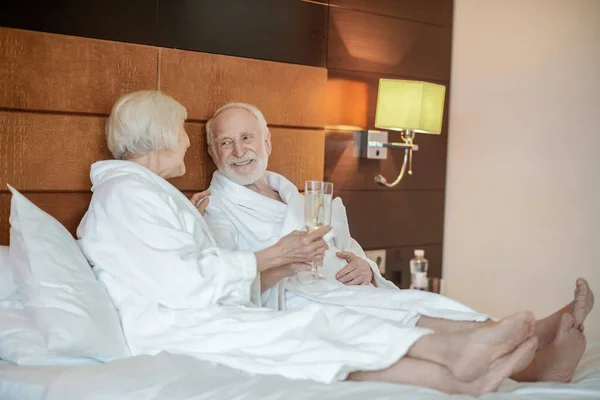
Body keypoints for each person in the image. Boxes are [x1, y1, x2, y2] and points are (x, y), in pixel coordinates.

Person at [77, 90, 538, 396]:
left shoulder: (147, 195)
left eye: (247, 139)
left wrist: (350, 265)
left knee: (324, 331)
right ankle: (456, 370)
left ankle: (463, 359)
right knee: (311, 334)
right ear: (159, 135)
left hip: (208, 309)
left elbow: (189, 271)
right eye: (183, 132)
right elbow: (183, 280)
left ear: (267, 140)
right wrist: (275, 257)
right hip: (174, 326)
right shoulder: (128, 195)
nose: (184, 141)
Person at [200, 102, 594, 383]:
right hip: (295, 302)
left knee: (417, 302)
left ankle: (539, 345)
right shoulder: (214, 210)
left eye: (247, 137)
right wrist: (286, 263)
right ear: (213, 152)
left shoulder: (296, 197)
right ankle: (537, 362)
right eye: (226, 143)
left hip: (340, 288)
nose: (239, 151)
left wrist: (364, 267)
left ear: (267, 141)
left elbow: (344, 247)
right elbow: (229, 284)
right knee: (399, 315)